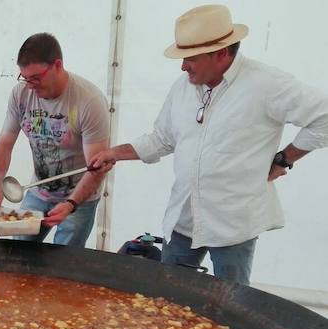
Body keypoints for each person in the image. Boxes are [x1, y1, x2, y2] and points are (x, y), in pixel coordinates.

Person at [88, 5, 328, 285]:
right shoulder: (183, 86)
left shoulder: (267, 84)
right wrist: (113, 153)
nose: (182, 65)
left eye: (190, 57)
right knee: (168, 301)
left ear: (221, 53)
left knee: (231, 307)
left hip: (233, 224)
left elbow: (324, 117)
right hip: (183, 220)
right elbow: (162, 138)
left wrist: (285, 159)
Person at [0, 33, 110, 247]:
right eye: (25, 78)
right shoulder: (21, 94)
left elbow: (96, 167)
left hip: (79, 198)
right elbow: (4, 144)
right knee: (19, 252)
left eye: (36, 78)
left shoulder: (89, 101)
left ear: (57, 65)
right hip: (38, 191)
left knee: (64, 264)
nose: (31, 85)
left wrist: (70, 204)